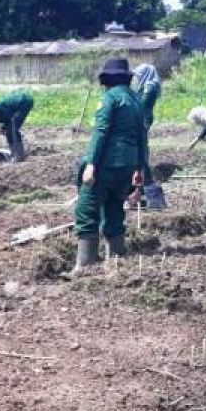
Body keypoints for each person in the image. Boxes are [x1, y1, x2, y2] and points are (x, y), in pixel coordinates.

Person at [70, 58, 150, 275]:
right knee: (115, 208)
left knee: (87, 209)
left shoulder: (110, 98)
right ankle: (115, 259)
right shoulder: (136, 100)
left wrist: (91, 164)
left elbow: (101, 132)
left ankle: (85, 265)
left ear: (107, 79)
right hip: (128, 164)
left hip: (107, 163)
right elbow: (143, 136)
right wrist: (140, 168)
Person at [132, 64, 161, 129]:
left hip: (144, 119)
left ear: (145, 74)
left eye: (139, 74)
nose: (137, 76)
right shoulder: (151, 85)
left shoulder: (149, 87)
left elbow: (142, 104)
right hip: (145, 117)